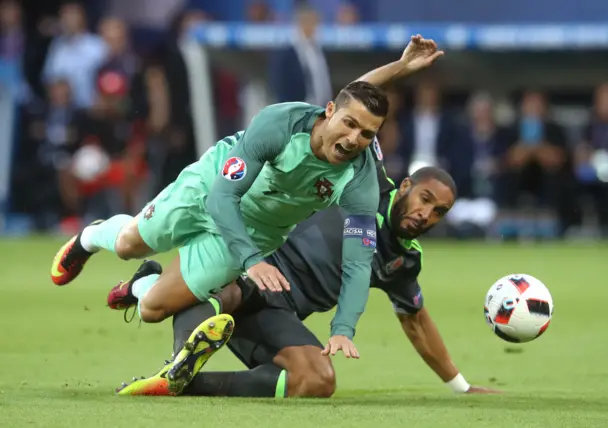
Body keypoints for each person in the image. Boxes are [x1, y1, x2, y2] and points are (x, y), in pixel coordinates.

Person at [51, 35, 445, 358]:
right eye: (349, 125)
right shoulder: (280, 123)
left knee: (152, 308)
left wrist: (343, 328)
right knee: (128, 244)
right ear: (329, 111)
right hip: (212, 187)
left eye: (367, 135)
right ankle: (89, 237)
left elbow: (359, 265)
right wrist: (252, 262)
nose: (354, 139)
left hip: (258, 230)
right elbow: (224, 196)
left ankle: (143, 285)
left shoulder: (360, 181)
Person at [116, 144, 498, 397]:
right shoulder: (365, 182)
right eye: (425, 200)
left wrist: (461, 387)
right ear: (406, 186)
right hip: (250, 267)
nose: (426, 215)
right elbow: (358, 101)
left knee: (319, 379)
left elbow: (416, 321)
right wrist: (402, 66)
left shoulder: (404, 261)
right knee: (226, 290)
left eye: (438, 212)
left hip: (275, 312)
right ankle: (161, 313)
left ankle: (186, 382)